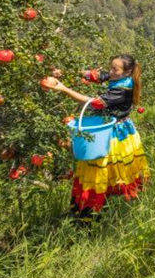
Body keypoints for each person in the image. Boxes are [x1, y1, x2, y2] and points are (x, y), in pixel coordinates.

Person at [50, 54, 149, 221]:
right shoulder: (118, 76)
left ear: (127, 72)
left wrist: (64, 89)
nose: (111, 72)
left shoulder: (122, 89)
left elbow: (93, 103)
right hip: (110, 127)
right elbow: (97, 75)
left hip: (115, 133)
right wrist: (65, 72)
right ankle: (100, 208)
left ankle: (93, 212)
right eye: (111, 67)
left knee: (101, 168)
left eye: (115, 69)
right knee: (105, 168)